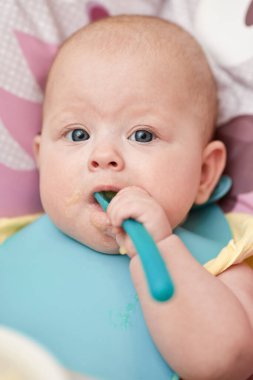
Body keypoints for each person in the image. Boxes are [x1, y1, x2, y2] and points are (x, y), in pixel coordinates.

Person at [32, 15, 253, 380]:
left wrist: (162, 248)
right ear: (40, 159)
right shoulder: (11, 241)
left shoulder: (223, 261)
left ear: (204, 174)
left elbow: (228, 362)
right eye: (77, 134)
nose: (102, 155)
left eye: (143, 136)